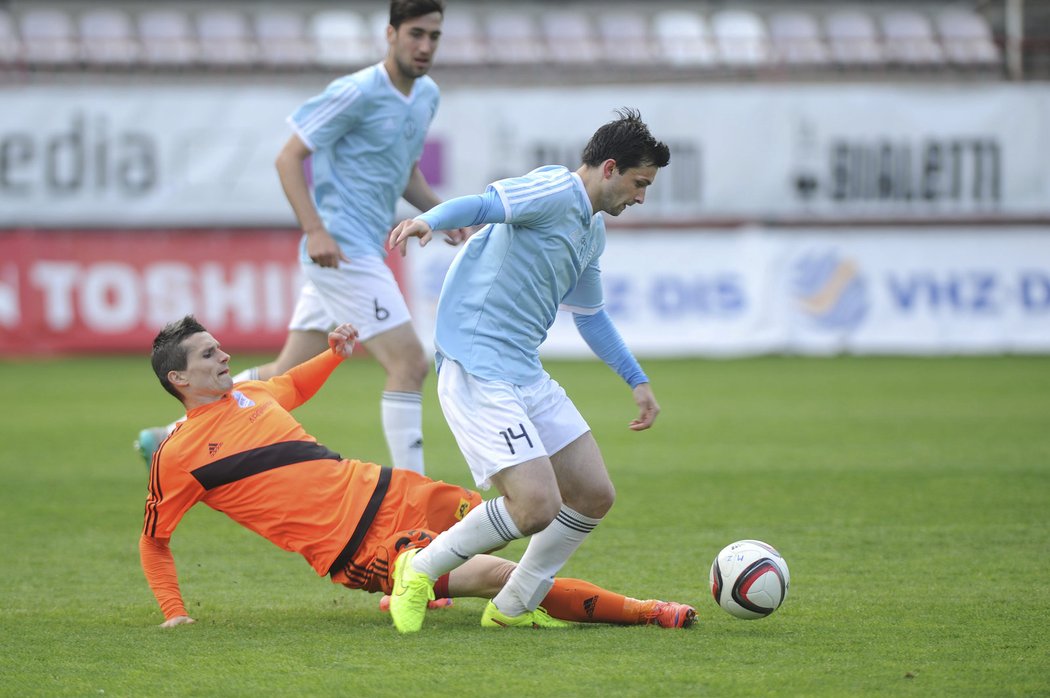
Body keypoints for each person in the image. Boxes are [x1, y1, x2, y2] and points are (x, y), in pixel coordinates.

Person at [139, 315, 696, 630]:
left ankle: (440, 592)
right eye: (209, 356)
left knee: (522, 513)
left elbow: (295, 387)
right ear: (180, 380)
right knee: (502, 577)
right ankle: (649, 612)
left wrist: (333, 354)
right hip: (361, 546)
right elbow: (154, 541)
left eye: (219, 348)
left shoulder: (251, 394)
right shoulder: (179, 455)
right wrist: (173, 613)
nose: (225, 358)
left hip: (391, 489)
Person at [134, 0, 470, 476]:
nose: (424, 46)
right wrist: (315, 229)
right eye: (415, 34)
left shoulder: (426, 95)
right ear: (391, 34)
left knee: (283, 374)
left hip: (351, 253)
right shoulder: (356, 91)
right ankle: (413, 490)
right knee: (410, 364)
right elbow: (288, 157)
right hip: (341, 248)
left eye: (434, 37)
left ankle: (168, 436)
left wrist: (437, 213)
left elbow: (404, 169)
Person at [385, 108, 671, 632]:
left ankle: (513, 606)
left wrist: (637, 380)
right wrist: (430, 219)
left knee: (593, 494)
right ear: (609, 168)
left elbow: (591, 316)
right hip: (476, 364)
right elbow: (488, 204)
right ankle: (418, 569)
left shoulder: (591, 232)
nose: (641, 197)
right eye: (639, 183)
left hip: (522, 370)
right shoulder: (554, 191)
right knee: (535, 504)